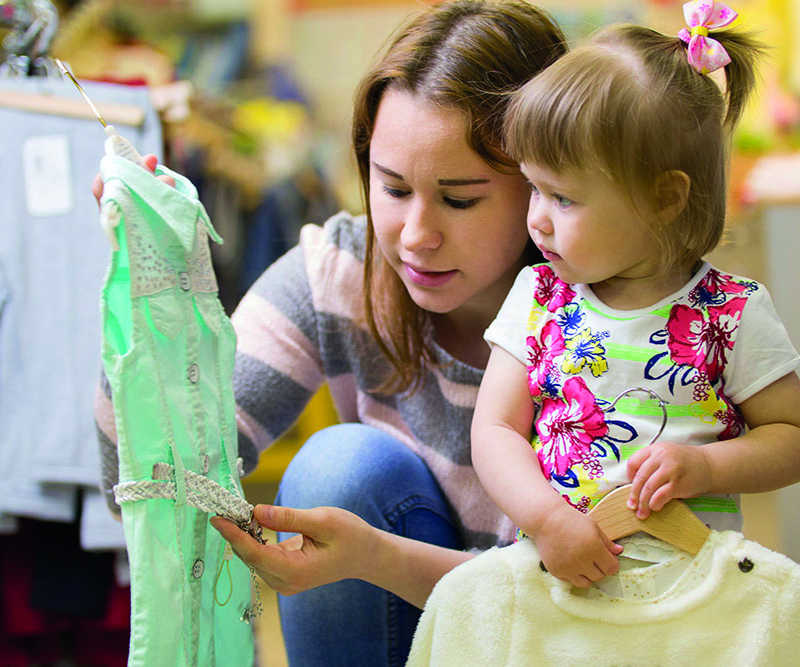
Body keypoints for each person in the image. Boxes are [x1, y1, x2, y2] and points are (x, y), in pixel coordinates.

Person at [93, 2, 567, 664]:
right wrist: (152, 298)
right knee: (340, 469)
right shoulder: (342, 268)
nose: (416, 235)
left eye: (460, 198)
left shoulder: (609, 317)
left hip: (556, 640)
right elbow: (153, 480)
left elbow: (586, 603)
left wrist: (381, 557)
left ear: (544, 184)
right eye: (392, 187)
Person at [471, 0, 800, 592]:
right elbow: (493, 431)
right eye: (533, 189)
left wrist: (706, 466)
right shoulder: (539, 297)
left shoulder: (731, 311)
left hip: (694, 595)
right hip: (559, 581)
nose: (538, 220)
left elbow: (793, 437)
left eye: (563, 197)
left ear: (664, 199)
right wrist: (546, 520)